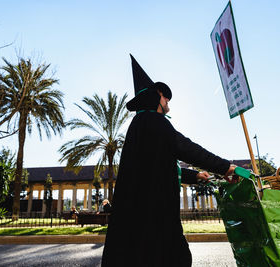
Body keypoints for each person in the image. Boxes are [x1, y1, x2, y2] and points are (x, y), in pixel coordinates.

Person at [101, 55, 237, 267]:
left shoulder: (140, 124)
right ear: (155, 98)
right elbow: (184, 147)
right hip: (154, 216)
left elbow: (162, 165)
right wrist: (225, 167)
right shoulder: (154, 121)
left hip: (141, 215)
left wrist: (196, 175)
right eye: (164, 97)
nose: (167, 102)